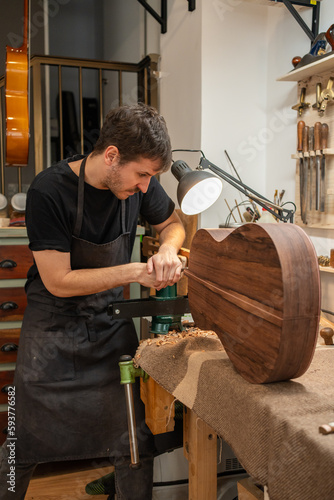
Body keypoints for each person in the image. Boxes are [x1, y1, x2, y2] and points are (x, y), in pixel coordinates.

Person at [0, 103, 185, 500]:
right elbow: (59, 281)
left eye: (150, 178)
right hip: (51, 329)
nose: (144, 187)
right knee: (21, 442)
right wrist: (135, 271)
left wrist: (169, 250)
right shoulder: (49, 190)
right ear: (112, 156)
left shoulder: (142, 183)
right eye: (141, 175)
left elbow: (173, 224)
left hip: (109, 324)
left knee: (134, 440)